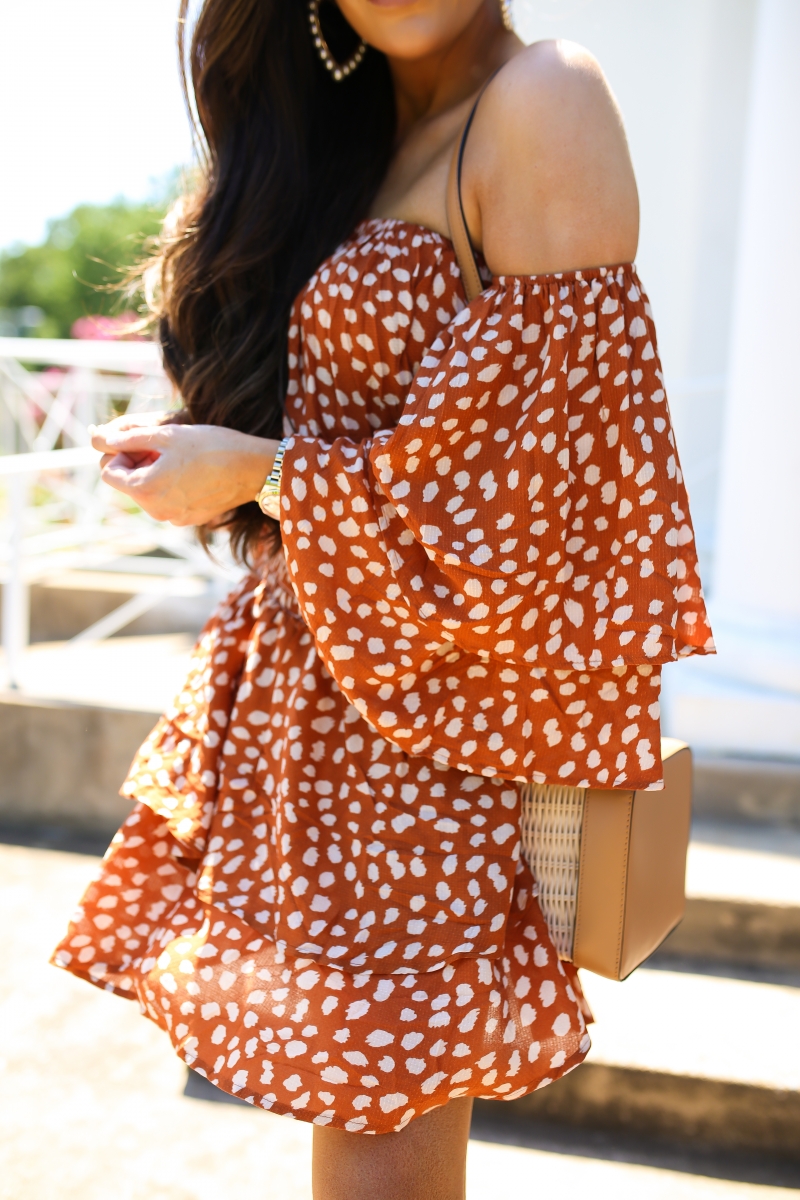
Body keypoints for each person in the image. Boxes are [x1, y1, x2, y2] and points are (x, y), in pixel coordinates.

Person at [52, 2, 713, 1197]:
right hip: (319, 714)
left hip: (432, 737)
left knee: (379, 1159)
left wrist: (257, 471)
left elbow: (544, 500)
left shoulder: (542, 98)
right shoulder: (360, 136)